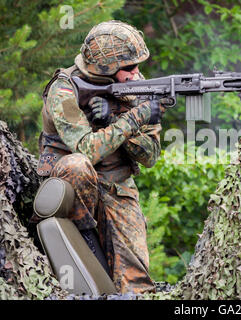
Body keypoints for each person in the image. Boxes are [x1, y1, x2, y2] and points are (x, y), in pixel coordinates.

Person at [35, 20, 163, 293]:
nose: (137, 73)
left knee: (137, 286)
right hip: (71, 187)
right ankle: (85, 238)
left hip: (118, 187)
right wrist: (134, 118)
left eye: (137, 65)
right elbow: (85, 150)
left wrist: (114, 119)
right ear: (106, 69)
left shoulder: (137, 87)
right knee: (78, 165)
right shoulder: (66, 88)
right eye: (129, 68)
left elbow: (150, 155)